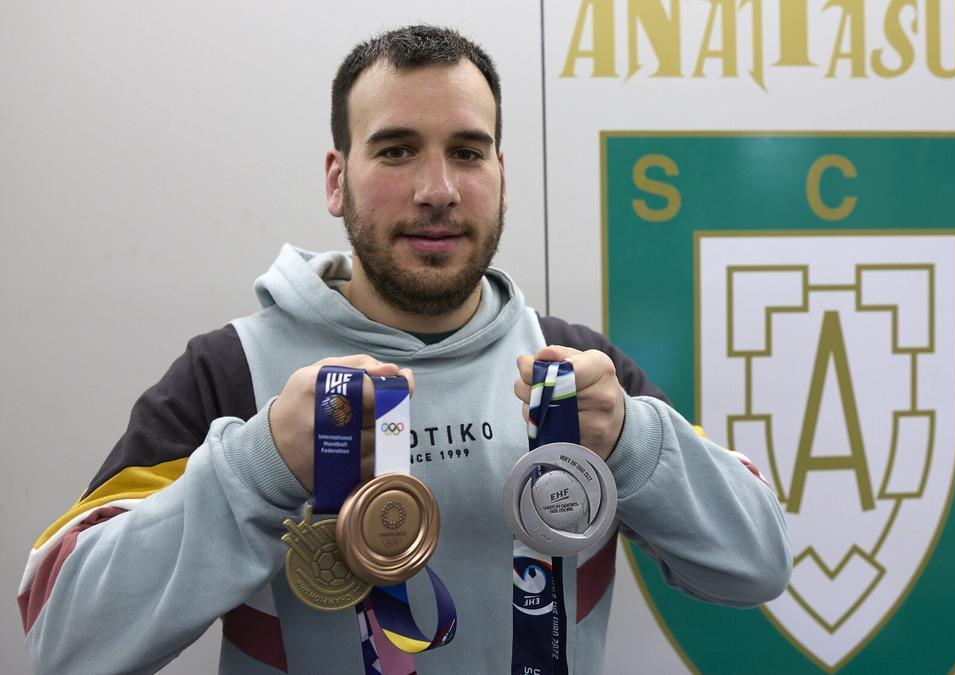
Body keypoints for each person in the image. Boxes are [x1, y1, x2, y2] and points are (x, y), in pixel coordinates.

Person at [17, 25, 790, 674]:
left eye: (466, 150)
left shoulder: (575, 368)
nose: (437, 189)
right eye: (395, 150)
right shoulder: (231, 373)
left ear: (501, 174)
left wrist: (633, 441)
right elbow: (60, 636)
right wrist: (254, 471)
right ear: (336, 178)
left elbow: (760, 561)